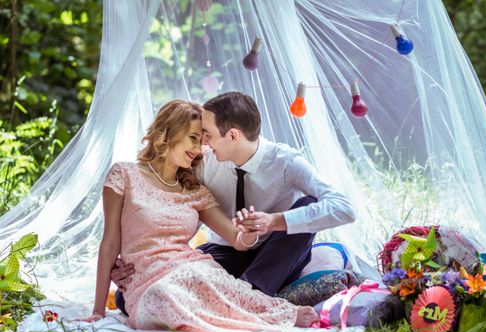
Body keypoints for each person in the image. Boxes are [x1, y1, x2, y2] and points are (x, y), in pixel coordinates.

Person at [83, 100, 318, 332]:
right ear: (170, 132)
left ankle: (275, 312)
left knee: (203, 279)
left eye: (202, 140)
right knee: (162, 295)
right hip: (146, 280)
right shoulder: (124, 175)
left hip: (189, 268)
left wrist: (249, 232)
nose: (199, 148)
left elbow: (237, 239)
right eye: (193, 138)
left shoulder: (194, 189)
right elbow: (110, 243)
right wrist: (98, 309)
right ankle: (249, 312)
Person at [112, 91, 356, 311]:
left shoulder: (286, 162)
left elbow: (344, 208)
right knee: (129, 297)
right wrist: (140, 263)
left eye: (207, 134)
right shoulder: (205, 164)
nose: (203, 143)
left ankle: (251, 297)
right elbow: (179, 216)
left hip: (278, 255)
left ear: (232, 135)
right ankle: (242, 294)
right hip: (227, 250)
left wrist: (274, 221)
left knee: (308, 204)